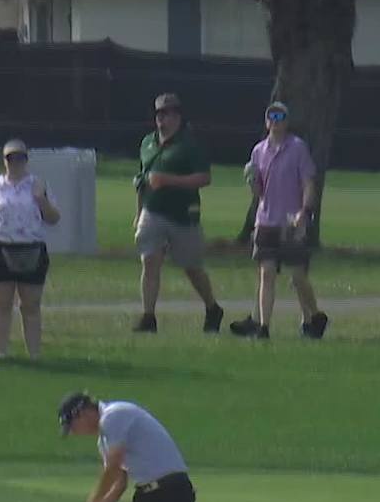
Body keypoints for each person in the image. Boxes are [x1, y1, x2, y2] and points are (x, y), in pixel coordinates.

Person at [229, 102, 330, 340]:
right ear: (266, 122)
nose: (275, 120)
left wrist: (304, 211)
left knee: (297, 276)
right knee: (267, 272)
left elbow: (308, 182)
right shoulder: (258, 151)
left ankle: (315, 315)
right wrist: (252, 182)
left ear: (287, 121)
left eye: (280, 116)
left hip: (291, 221)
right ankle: (263, 327)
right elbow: (259, 192)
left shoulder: (297, 148)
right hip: (265, 219)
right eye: (271, 116)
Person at [132, 92, 224, 334]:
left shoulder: (190, 145)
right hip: (152, 211)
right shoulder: (147, 143)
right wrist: (139, 210)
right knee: (150, 261)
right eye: (160, 114)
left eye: (169, 114)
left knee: (191, 266)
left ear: (178, 117)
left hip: (182, 215)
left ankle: (212, 307)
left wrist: (168, 180)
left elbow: (204, 178)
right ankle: (148, 317)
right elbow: (142, 180)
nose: (163, 119)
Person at [59, 392, 196, 502]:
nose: (74, 433)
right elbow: (119, 483)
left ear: (82, 413)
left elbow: (112, 468)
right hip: (146, 494)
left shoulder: (113, 415)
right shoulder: (104, 443)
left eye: (73, 426)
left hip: (173, 489)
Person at [0, 140, 61, 359]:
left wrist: (41, 200)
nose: (15, 162)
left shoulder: (38, 184)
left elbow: (53, 218)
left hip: (31, 247)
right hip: (1, 246)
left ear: (26, 160)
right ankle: (1, 352)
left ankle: (34, 353)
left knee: (31, 304)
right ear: (4, 161)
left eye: (19, 158)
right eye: (10, 158)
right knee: (1, 303)